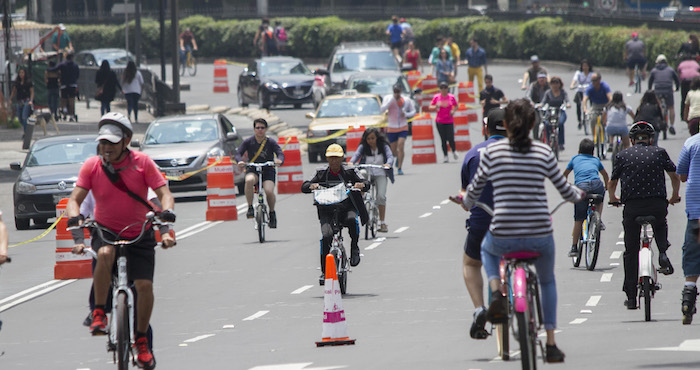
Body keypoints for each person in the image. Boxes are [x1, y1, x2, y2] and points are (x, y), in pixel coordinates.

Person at [462, 99, 584, 363]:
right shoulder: (543, 152)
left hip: (503, 232)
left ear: (505, 124)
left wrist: (464, 202)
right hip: (540, 234)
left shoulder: (491, 154)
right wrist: (579, 193)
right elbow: (566, 191)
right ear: (532, 124)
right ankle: (550, 343)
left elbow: (471, 195)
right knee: (547, 281)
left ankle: (495, 291)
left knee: (486, 250)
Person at [67, 112, 176, 370]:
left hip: (140, 232)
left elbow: (164, 194)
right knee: (104, 255)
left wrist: (167, 221)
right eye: (103, 142)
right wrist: (75, 222)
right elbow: (75, 200)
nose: (106, 147)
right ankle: (99, 313)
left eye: (113, 142)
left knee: (144, 286)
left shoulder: (143, 163)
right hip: (105, 231)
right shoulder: (92, 166)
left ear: (126, 140)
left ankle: (141, 342)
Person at [608, 121, 681, 309]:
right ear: (651, 139)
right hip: (657, 204)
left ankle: (631, 297)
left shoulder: (622, 155)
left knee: (631, 251)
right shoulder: (660, 152)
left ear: (631, 140)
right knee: (660, 223)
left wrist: (613, 198)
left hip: (632, 208)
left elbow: (612, 182)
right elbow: (674, 175)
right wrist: (674, 195)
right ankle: (663, 252)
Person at [459, 108, 507, 340]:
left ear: (486, 129)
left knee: (471, 263)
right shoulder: (522, 151)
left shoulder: (474, 154)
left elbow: (466, 194)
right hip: (520, 222)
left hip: (483, 222)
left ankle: (479, 309)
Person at [301, 144, 370, 284]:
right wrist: (311, 186)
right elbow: (304, 186)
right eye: (331, 158)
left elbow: (365, 182)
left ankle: (354, 247)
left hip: (347, 207)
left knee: (352, 220)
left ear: (342, 158)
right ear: (327, 159)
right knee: (326, 235)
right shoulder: (320, 173)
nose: (334, 161)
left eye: (337, 158)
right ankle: (324, 271)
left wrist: (361, 185)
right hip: (326, 209)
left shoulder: (350, 171)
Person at [563, 138, 609, 257]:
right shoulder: (596, 160)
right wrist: (606, 186)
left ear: (579, 151)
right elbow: (605, 175)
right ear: (593, 152)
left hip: (581, 188)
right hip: (596, 184)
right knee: (600, 197)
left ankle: (574, 247)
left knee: (579, 219)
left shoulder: (575, 159)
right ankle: (599, 218)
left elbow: (565, 175)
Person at [234, 118, 284, 227]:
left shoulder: (270, 142)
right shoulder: (248, 141)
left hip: (268, 170)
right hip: (253, 169)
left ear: (266, 129)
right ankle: (250, 207)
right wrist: (240, 161)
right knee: (249, 180)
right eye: (257, 128)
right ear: (254, 129)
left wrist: (279, 160)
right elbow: (238, 153)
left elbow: (280, 153)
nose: (260, 130)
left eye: (262, 128)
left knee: (268, 191)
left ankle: (272, 212)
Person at [676, 126, 700, 324]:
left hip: (696, 213)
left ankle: (687, 303)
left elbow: (682, 175)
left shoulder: (691, 143)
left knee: (692, 258)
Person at [350, 127, 393, 232]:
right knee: (362, 173)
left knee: (381, 196)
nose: (371, 141)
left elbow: (390, 157)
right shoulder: (363, 147)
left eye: (373, 138)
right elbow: (356, 156)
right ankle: (362, 197)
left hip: (380, 173)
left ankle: (382, 223)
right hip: (367, 174)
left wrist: (388, 164)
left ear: (377, 138)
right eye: (368, 139)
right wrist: (351, 163)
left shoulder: (383, 146)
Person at [381, 85, 416, 175]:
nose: (397, 94)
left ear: (401, 91)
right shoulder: (388, 98)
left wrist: (406, 114)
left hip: (403, 126)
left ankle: (400, 167)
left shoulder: (406, 100)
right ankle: (398, 159)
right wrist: (391, 101)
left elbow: (413, 111)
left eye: (398, 92)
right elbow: (382, 109)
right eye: (395, 92)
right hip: (392, 127)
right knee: (393, 150)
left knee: (401, 145)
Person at [648, 54, 680, 137]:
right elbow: (677, 80)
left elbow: (650, 82)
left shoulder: (654, 70)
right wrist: (677, 88)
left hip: (658, 91)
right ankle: (672, 125)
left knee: (659, 107)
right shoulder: (670, 70)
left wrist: (650, 90)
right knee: (671, 107)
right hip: (668, 90)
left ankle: (660, 119)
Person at [430, 81, 458, 162]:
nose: (443, 89)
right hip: (440, 120)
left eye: (445, 88)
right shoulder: (436, 97)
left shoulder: (451, 97)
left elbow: (456, 105)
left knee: (450, 137)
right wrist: (436, 106)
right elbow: (430, 106)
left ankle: (454, 150)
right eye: (441, 88)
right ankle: (445, 155)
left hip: (449, 120)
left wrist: (453, 111)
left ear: (447, 88)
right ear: (440, 89)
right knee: (443, 139)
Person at [540, 76, 570, 149]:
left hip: (560, 111)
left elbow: (567, 100)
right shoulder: (548, 92)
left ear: (560, 84)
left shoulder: (563, 92)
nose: (555, 85)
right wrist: (540, 105)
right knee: (547, 124)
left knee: (560, 123)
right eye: (553, 83)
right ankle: (548, 141)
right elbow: (543, 102)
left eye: (557, 83)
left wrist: (568, 104)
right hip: (550, 111)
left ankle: (561, 143)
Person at [51, 53, 79, 122]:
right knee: (71, 100)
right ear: (72, 57)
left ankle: (65, 111)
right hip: (72, 85)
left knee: (63, 100)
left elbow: (54, 69)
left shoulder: (62, 64)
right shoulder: (75, 65)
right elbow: (78, 75)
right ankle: (72, 116)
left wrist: (48, 68)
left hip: (64, 85)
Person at [569, 59, 594, 129]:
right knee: (578, 103)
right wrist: (572, 85)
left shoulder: (592, 74)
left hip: (589, 91)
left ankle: (592, 114)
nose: (585, 68)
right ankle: (579, 120)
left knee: (593, 102)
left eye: (586, 66)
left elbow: (595, 81)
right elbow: (574, 80)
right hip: (580, 90)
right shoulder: (579, 73)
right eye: (583, 66)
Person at [9, 68, 34, 135]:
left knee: (24, 116)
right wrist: (10, 99)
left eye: (22, 73)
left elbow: (32, 92)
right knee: (20, 118)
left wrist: (31, 100)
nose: (21, 74)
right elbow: (14, 91)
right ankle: (27, 128)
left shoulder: (28, 82)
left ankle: (26, 133)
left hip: (27, 100)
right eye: (20, 73)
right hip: (19, 101)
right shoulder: (17, 82)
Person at [678, 55, 700, 121]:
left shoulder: (681, 64)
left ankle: (683, 116)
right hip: (695, 80)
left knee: (684, 99)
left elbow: (679, 73)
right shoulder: (695, 63)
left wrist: (680, 81)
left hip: (684, 81)